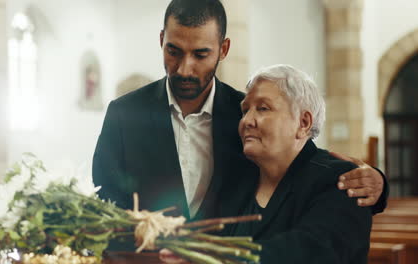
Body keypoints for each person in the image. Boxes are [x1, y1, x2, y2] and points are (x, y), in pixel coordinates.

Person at [93, 0, 387, 222]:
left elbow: (302, 168)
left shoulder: (246, 116)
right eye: (174, 51)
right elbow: (103, 200)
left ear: (223, 49)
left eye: (200, 54)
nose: (185, 68)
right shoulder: (124, 114)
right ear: (161, 41)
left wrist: (378, 184)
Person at [227, 64, 371, 263]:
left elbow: (311, 251)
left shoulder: (341, 180)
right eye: (245, 110)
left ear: (303, 123)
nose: (247, 121)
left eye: (262, 108)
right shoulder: (238, 180)